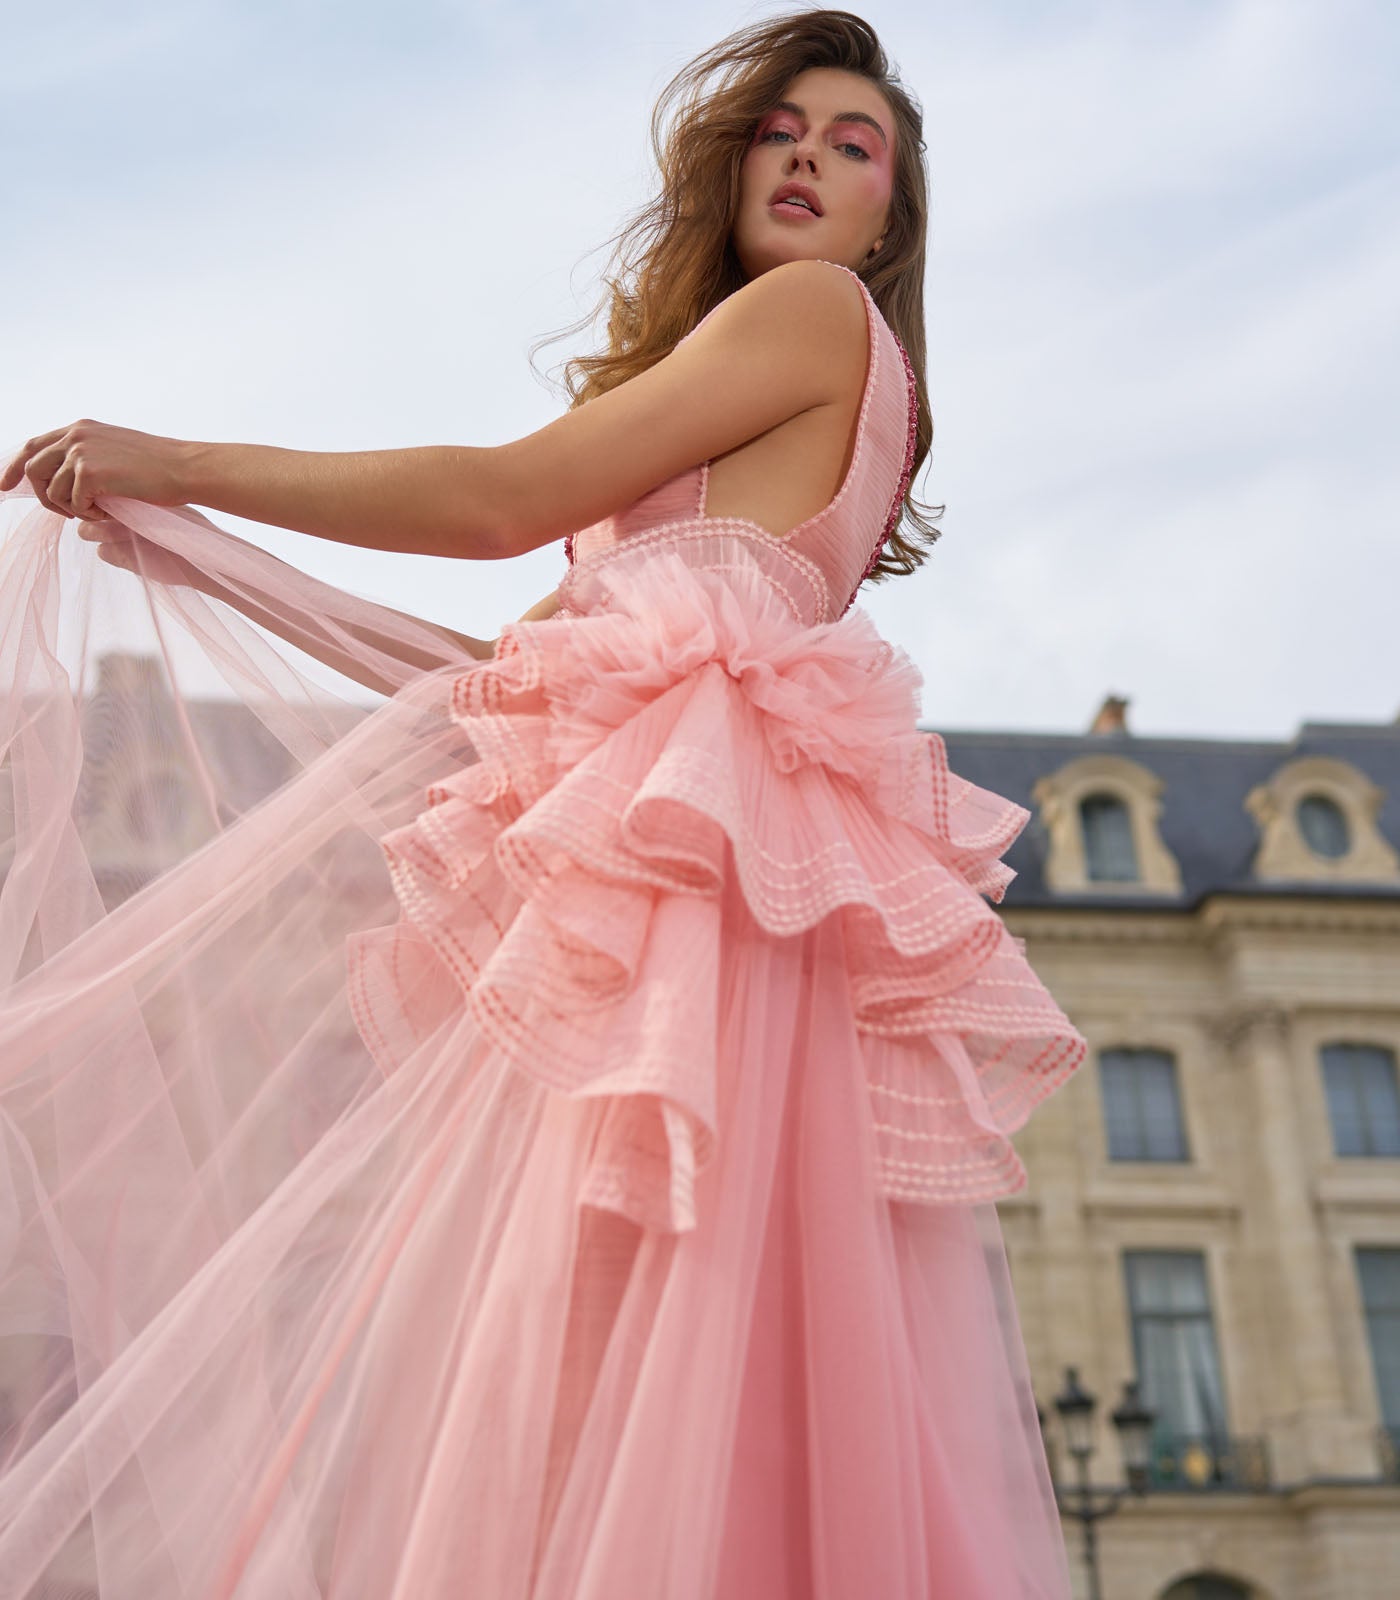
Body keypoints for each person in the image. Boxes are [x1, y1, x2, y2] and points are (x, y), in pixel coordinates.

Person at [0, 10, 1086, 1596]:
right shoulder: (748, 421)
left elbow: (504, 498)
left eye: (856, 145)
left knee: (594, 1367)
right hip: (691, 905)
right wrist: (201, 544)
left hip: (696, 916)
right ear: (732, 164)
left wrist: (185, 455)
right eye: (785, 127)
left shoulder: (814, 311)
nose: (810, 154)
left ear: (885, 220)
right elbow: (481, 675)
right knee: (665, 1364)